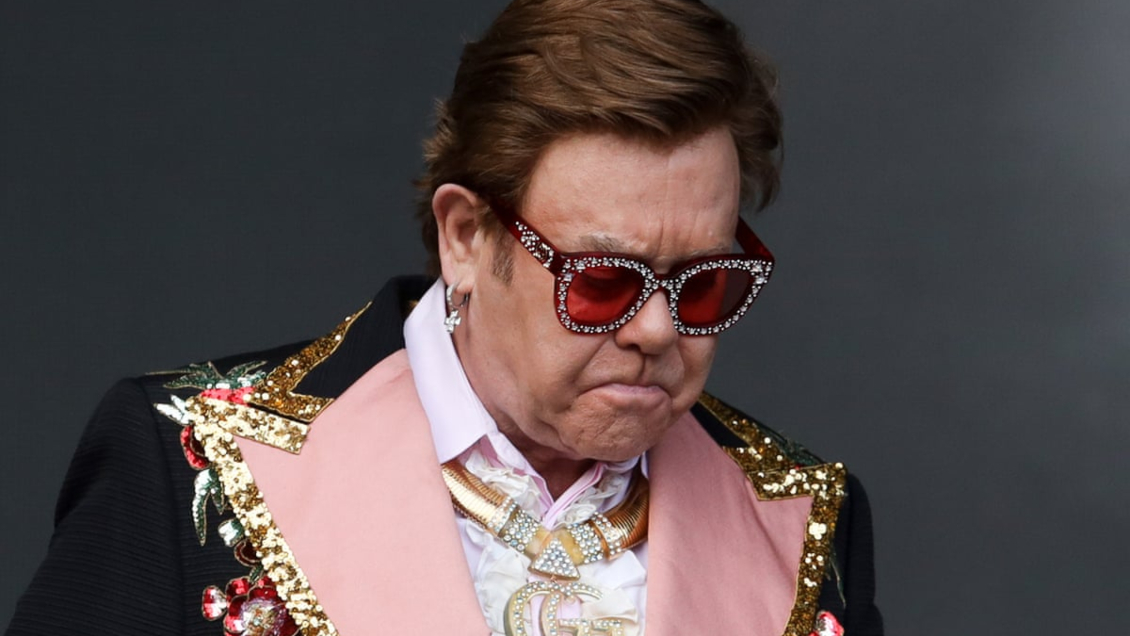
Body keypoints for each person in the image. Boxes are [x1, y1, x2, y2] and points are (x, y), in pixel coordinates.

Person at [7, 0, 882, 634]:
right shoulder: (183, 462)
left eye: (702, 285)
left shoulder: (808, 517)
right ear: (466, 237)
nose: (656, 331)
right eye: (603, 282)